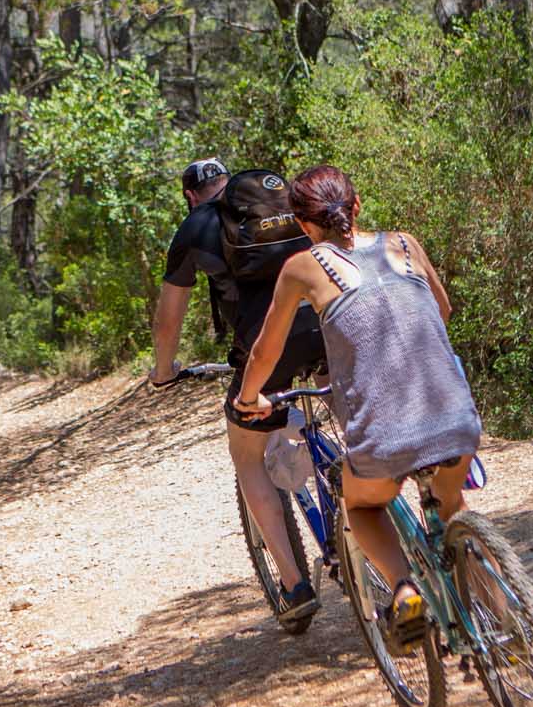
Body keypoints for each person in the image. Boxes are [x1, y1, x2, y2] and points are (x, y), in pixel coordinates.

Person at [234, 164, 482, 646]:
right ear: (357, 204)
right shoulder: (405, 243)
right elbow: (442, 311)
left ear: (304, 226)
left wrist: (249, 398)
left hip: (385, 434)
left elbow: (266, 350)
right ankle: (507, 620)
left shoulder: (303, 267)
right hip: (456, 415)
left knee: (361, 506)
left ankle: (404, 589)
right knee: (450, 505)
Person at [151, 157, 326, 623]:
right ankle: (367, 515)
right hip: (332, 322)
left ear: (190, 195)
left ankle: (296, 585)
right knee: (345, 414)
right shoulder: (282, 206)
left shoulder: (194, 228)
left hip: (267, 347)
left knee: (247, 457)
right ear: (231, 185)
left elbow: (169, 319)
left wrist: (163, 370)